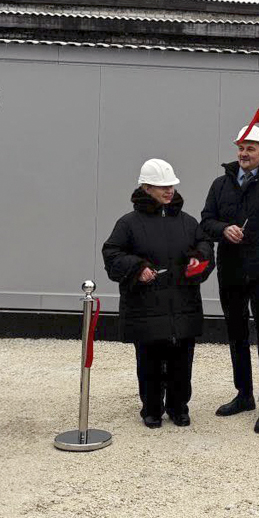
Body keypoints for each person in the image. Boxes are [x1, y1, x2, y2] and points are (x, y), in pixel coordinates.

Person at [200, 106, 259, 434]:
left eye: (250, 148)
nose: (244, 153)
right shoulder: (220, 184)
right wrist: (223, 229)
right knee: (237, 334)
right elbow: (206, 221)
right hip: (232, 270)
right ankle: (244, 394)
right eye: (241, 148)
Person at [102, 159, 215, 429]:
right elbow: (112, 254)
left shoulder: (188, 222)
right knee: (149, 362)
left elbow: (205, 245)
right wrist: (137, 268)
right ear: (146, 188)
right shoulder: (128, 224)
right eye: (162, 186)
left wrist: (199, 258)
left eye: (171, 186)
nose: (169, 191)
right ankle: (151, 409)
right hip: (146, 307)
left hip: (183, 304)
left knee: (181, 361)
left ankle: (179, 407)